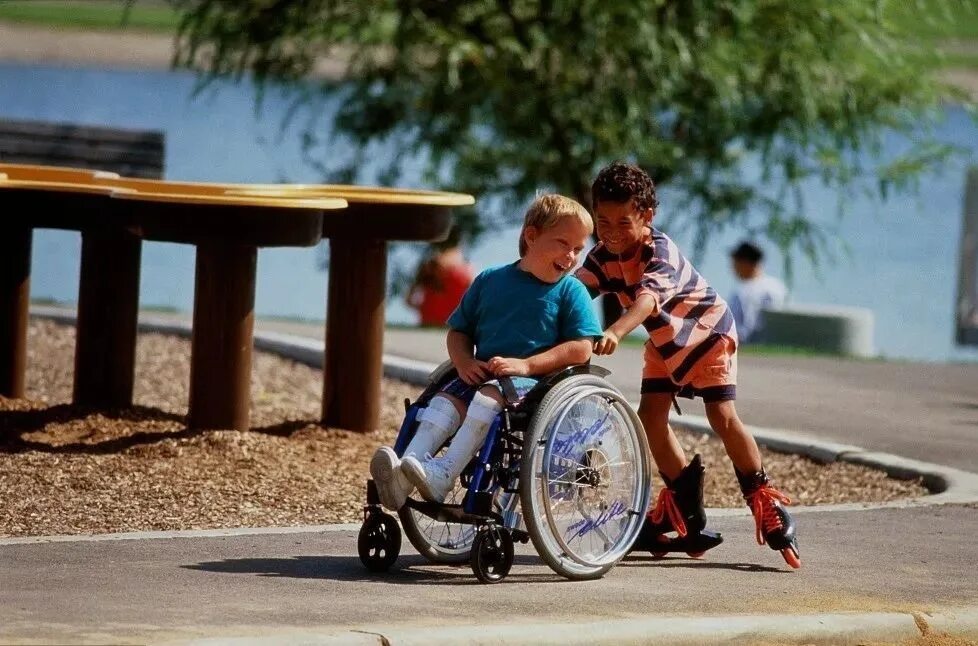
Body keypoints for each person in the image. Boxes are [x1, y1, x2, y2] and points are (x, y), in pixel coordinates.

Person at [575, 161, 800, 568]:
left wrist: (616, 332)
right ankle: (684, 506)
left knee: (722, 415)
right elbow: (573, 290)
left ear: (647, 215)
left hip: (707, 333)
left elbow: (647, 301)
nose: (609, 231)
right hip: (664, 343)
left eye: (623, 221)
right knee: (650, 419)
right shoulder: (602, 255)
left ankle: (764, 499)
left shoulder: (661, 252)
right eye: (601, 220)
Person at [370, 194, 603, 508]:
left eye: (578, 248)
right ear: (531, 236)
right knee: (443, 402)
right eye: (563, 243)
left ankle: (444, 474)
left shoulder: (570, 290)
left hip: (535, 384)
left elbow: (581, 348)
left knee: (487, 396)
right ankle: (402, 472)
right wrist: (464, 361)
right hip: (481, 374)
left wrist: (527, 365)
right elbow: (459, 332)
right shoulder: (490, 280)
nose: (571, 256)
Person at [406, 225, 475, 326]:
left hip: (427, 326)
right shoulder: (468, 271)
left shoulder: (429, 266)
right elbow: (475, 305)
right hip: (454, 329)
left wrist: (426, 309)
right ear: (460, 242)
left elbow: (408, 300)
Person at [728, 241, 787, 343]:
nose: (733, 268)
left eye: (735, 263)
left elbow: (740, 332)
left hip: (751, 350)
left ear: (745, 262)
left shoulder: (743, 292)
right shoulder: (778, 287)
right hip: (778, 346)